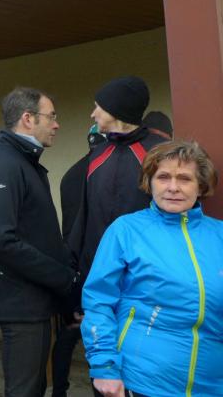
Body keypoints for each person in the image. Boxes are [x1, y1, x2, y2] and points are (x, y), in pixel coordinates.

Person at [82, 140, 223, 396]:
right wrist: (104, 366)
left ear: (201, 185)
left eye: (184, 179)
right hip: (144, 380)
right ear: (150, 182)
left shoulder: (219, 234)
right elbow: (99, 302)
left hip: (211, 384)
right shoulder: (126, 230)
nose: (173, 187)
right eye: (163, 177)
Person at [0, 87, 77, 397]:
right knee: (25, 390)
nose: (57, 124)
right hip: (20, 304)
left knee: (34, 387)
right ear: (28, 119)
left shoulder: (23, 162)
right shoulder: (6, 165)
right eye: (51, 116)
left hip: (34, 300)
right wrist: (62, 277)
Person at [68, 77, 167, 306]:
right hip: (100, 278)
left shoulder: (157, 153)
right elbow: (83, 218)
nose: (93, 114)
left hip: (147, 278)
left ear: (116, 109)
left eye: (98, 107)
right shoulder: (97, 155)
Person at [51, 125, 105, 397]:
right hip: (99, 266)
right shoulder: (105, 173)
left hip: (72, 267)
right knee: (100, 338)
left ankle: (59, 391)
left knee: (68, 334)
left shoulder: (70, 174)